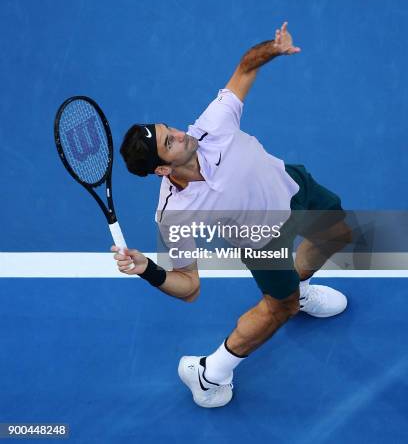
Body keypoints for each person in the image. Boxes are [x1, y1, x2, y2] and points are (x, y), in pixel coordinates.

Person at [112, 22, 352, 408]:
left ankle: (298, 287)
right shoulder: (173, 214)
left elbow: (245, 68)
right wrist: (146, 269)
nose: (179, 133)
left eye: (168, 128)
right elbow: (189, 288)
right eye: (168, 141)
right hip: (263, 242)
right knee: (280, 309)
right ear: (161, 169)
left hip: (293, 188)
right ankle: (210, 373)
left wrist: (273, 48)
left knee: (337, 233)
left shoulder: (212, 126)